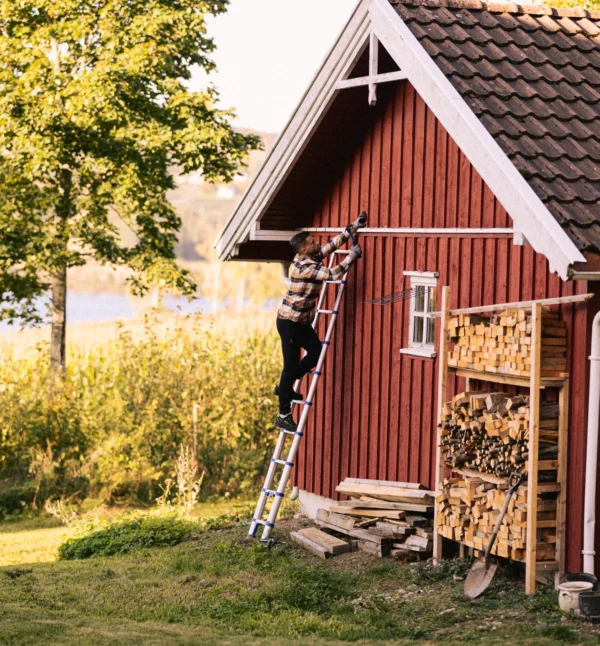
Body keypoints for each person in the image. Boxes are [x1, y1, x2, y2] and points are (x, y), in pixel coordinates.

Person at [274, 213, 367, 432]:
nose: (317, 243)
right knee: (289, 366)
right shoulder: (305, 267)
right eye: (312, 242)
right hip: (289, 322)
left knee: (316, 351)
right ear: (304, 250)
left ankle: (284, 387)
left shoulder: (311, 257)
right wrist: (351, 257)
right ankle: (283, 414)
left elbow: (329, 247)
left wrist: (352, 228)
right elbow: (333, 274)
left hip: (302, 321)